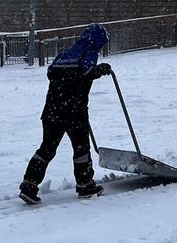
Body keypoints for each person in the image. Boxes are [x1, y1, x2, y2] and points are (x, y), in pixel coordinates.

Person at [19, 23, 113, 204]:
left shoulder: (65, 54)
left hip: (52, 110)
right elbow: (85, 72)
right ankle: (85, 185)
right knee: (81, 149)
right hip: (74, 112)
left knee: (46, 148)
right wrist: (99, 70)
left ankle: (29, 184)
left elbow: (51, 73)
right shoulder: (89, 53)